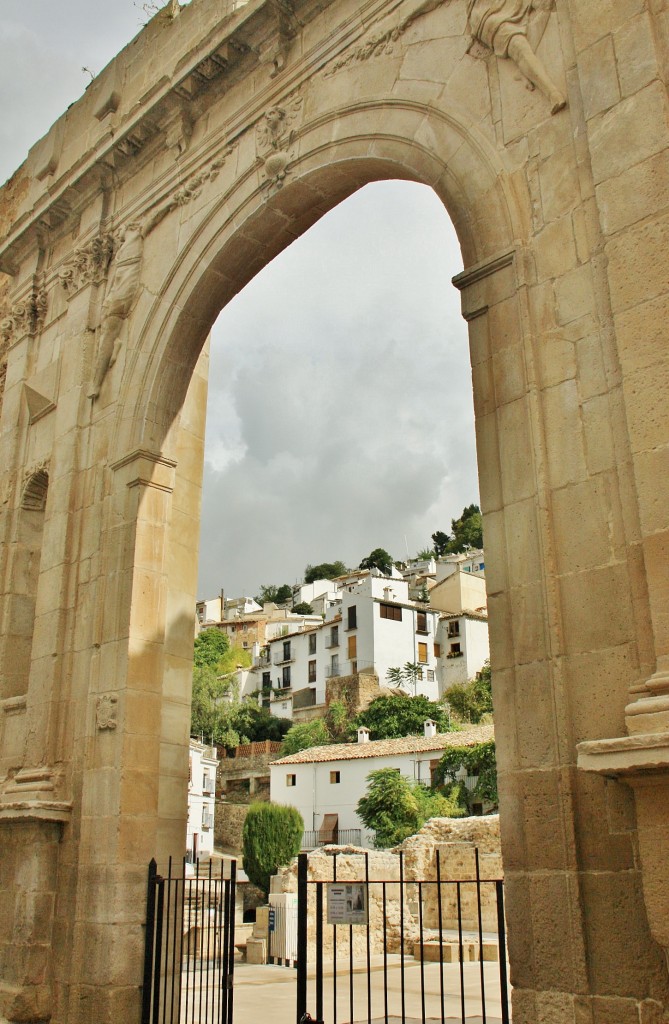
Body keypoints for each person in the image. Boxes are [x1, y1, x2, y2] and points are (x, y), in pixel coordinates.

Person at [467, 0, 566, 113]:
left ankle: (526, 67)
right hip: (488, 13)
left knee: (545, 4)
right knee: (518, 46)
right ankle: (552, 93)